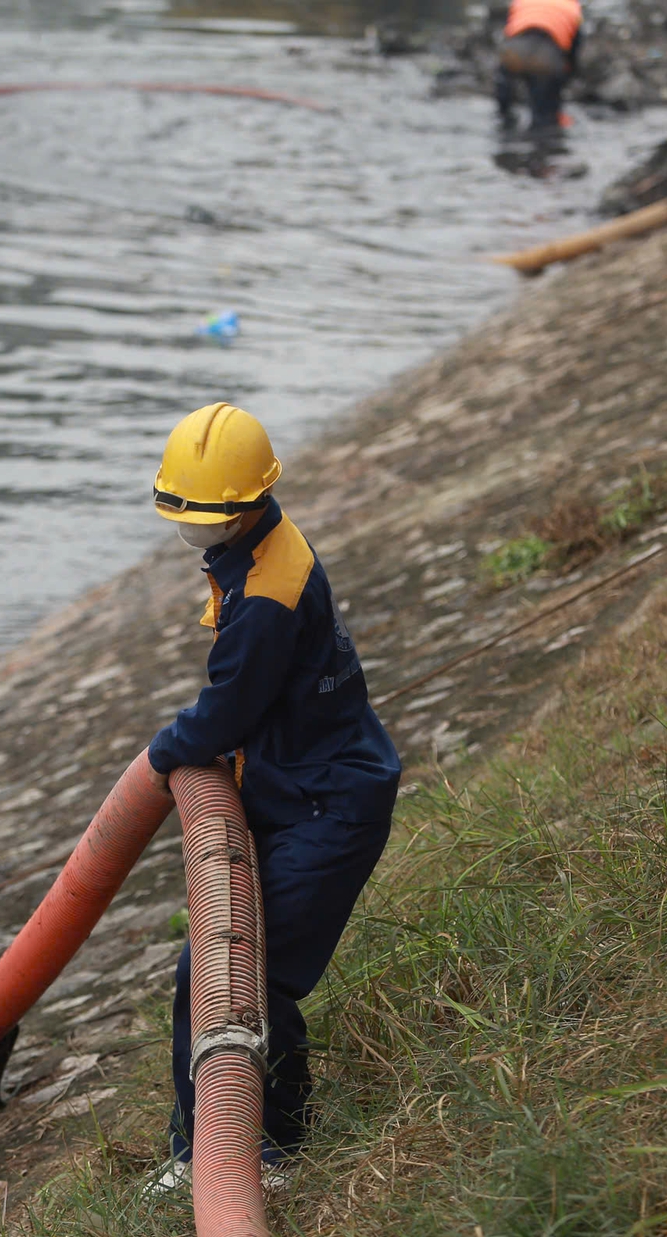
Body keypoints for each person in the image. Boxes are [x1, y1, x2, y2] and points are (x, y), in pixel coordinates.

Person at [144, 402, 401, 1191]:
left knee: (250, 978)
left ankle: (272, 1146)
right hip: (295, 784)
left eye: (205, 514)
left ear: (245, 507)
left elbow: (226, 709)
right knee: (208, 967)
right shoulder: (252, 554)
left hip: (329, 805)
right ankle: (200, 1139)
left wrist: (165, 752)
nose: (192, 526)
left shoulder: (264, 596)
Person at [495, 0, 583, 132]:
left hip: (514, 51)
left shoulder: (521, 2)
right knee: (545, 118)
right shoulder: (572, 7)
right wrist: (567, 77)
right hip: (547, 57)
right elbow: (574, 49)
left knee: (505, 106)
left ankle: (504, 124)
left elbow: (508, 28)